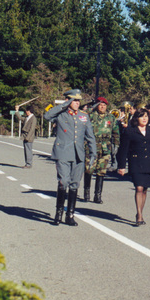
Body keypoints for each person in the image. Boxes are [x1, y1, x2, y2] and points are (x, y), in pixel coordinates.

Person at [44, 89, 97, 226]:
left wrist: (93, 153)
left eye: (78, 101)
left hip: (78, 154)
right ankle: (58, 213)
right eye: (74, 100)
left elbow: (90, 136)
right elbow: (47, 116)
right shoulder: (60, 114)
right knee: (63, 182)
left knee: (74, 184)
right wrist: (64, 104)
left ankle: (70, 215)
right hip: (63, 152)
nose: (77, 103)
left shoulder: (83, 116)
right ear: (68, 100)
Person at [117, 108, 150, 226]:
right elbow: (123, 150)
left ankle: (140, 211)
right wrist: (122, 166)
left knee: (144, 189)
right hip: (136, 162)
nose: (144, 119)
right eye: (141, 116)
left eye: (146, 116)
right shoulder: (130, 131)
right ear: (136, 118)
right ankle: (139, 215)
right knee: (139, 188)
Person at [83, 96, 120, 203]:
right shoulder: (91, 115)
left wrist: (116, 145)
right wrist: (93, 106)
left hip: (105, 148)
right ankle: (86, 193)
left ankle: (97, 195)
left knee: (101, 172)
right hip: (91, 146)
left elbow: (115, 133)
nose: (102, 106)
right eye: (100, 104)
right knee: (89, 170)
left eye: (104, 105)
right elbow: (84, 113)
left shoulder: (111, 118)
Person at [15, 104, 37, 169]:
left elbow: (32, 129)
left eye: (26, 111)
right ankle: (27, 163)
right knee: (25, 150)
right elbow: (20, 118)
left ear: (29, 111)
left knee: (28, 150)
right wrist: (17, 110)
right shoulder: (27, 118)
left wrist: (28, 137)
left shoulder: (33, 118)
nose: (25, 112)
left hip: (29, 137)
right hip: (25, 136)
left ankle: (29, 164)